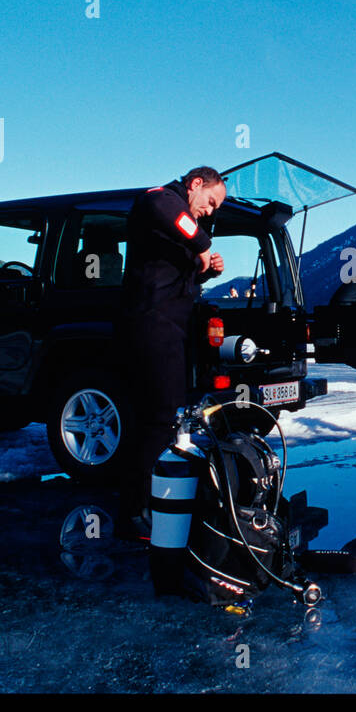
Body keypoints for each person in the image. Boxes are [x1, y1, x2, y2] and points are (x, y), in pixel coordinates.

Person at [116, 166, 226, 535]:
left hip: (168, 326)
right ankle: (133, 510)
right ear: (196, 184)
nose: (210, 211)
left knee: (157, 416)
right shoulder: (161, 199)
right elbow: (176, 219)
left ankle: (140, 502)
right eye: (211, 201)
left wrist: (205, 271)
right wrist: (204, 246)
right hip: (150, 323)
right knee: (158, 416)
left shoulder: (178, 223)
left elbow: (176, 272)